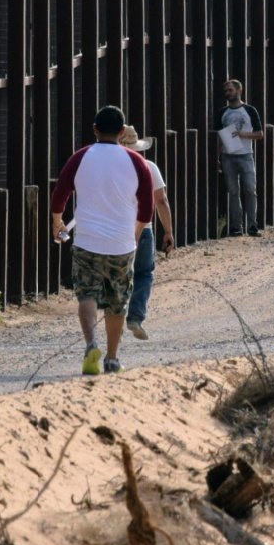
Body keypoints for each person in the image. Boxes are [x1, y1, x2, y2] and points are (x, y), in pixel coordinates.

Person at [50, 106, 154, 375]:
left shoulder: (81, 157)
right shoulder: (137, 161)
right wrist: (135, 234)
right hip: (122, 243)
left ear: (94, 129)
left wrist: (57, 224)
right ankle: (111, 358)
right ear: (122, 132)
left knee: (87, 294)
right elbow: (146, 208)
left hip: (87, 240)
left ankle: (91, 343)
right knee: (118, 302)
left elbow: (60, 194)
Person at [118, 125, 175, 340]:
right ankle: (135, 316)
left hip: (117, 229)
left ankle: (114, 314)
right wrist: (168, 231)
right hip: (144, 229)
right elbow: (161, 200)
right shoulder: (149, 166)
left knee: (118, 273)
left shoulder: (114, 168)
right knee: (144, 273)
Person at [213, 78, 264, 237]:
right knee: (233, 192)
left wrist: (243, 134)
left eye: (230, 90)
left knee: (250, 189)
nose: (228, 93)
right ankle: (236, 226)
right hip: (228, 157)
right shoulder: (223, 112)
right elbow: (220, 137)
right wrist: (218, 157)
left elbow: (260, 134)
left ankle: (253, 225)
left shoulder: (249, 110)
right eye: (226, 91)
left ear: (239, 91)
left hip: (246, 155)